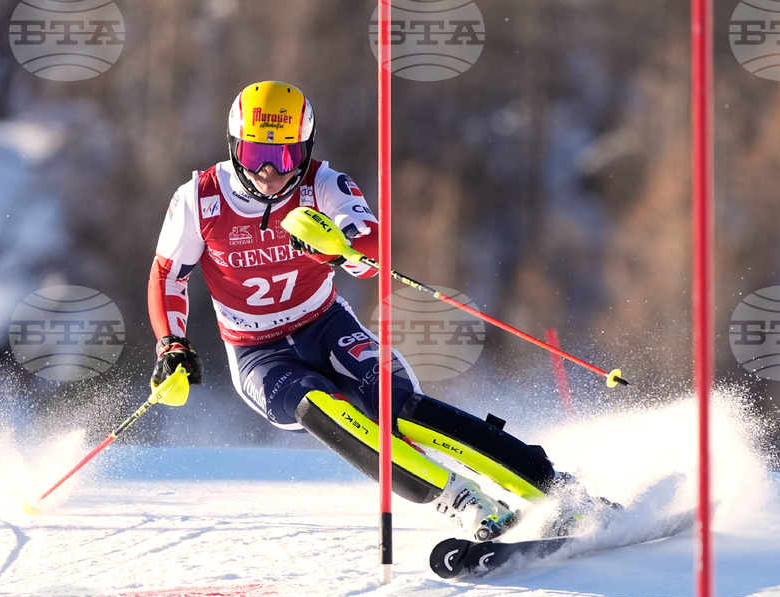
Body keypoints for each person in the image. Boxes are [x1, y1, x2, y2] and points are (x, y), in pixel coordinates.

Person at [148, 81, 613, 541]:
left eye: (285, 156)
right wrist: (172, 345)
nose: (270, 172)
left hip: (325, 325)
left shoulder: (324, 185)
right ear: (234, 147)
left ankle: (559, 493)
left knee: (398, 408)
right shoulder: (198, 199)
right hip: (258, 353)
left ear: (305, 150)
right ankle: (461, 500)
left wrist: (337, 248)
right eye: (255, 156)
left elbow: (373, 252)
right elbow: (168, 276)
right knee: (317, 406)